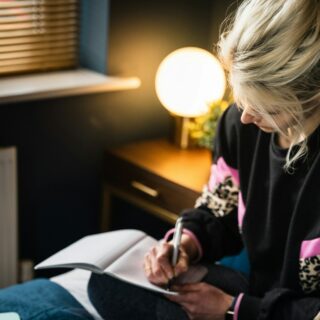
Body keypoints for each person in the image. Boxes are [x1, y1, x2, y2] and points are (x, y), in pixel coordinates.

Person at [88, 0, 320, 319]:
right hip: (258, 296)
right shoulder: (240, 124)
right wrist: (185, 246)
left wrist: (233, 311)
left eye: (268, 107)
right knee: (106, 284)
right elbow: (218, 210)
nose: (248, 117)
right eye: (242, 97)